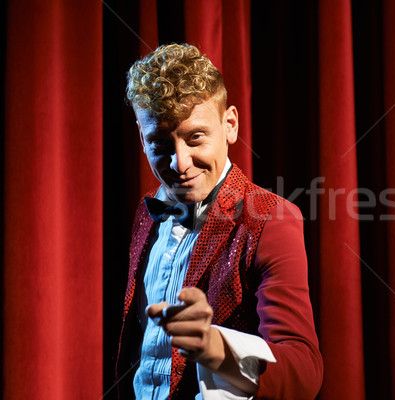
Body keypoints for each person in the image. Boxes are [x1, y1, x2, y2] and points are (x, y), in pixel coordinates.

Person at [115, 43, 323, 399]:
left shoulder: (271, 219)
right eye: (161, 144)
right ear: (141, 137)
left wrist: (214, 346)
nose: (180, 164)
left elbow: (305, 372)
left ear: (230, 125)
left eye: (195, 138)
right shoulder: (145, 213)